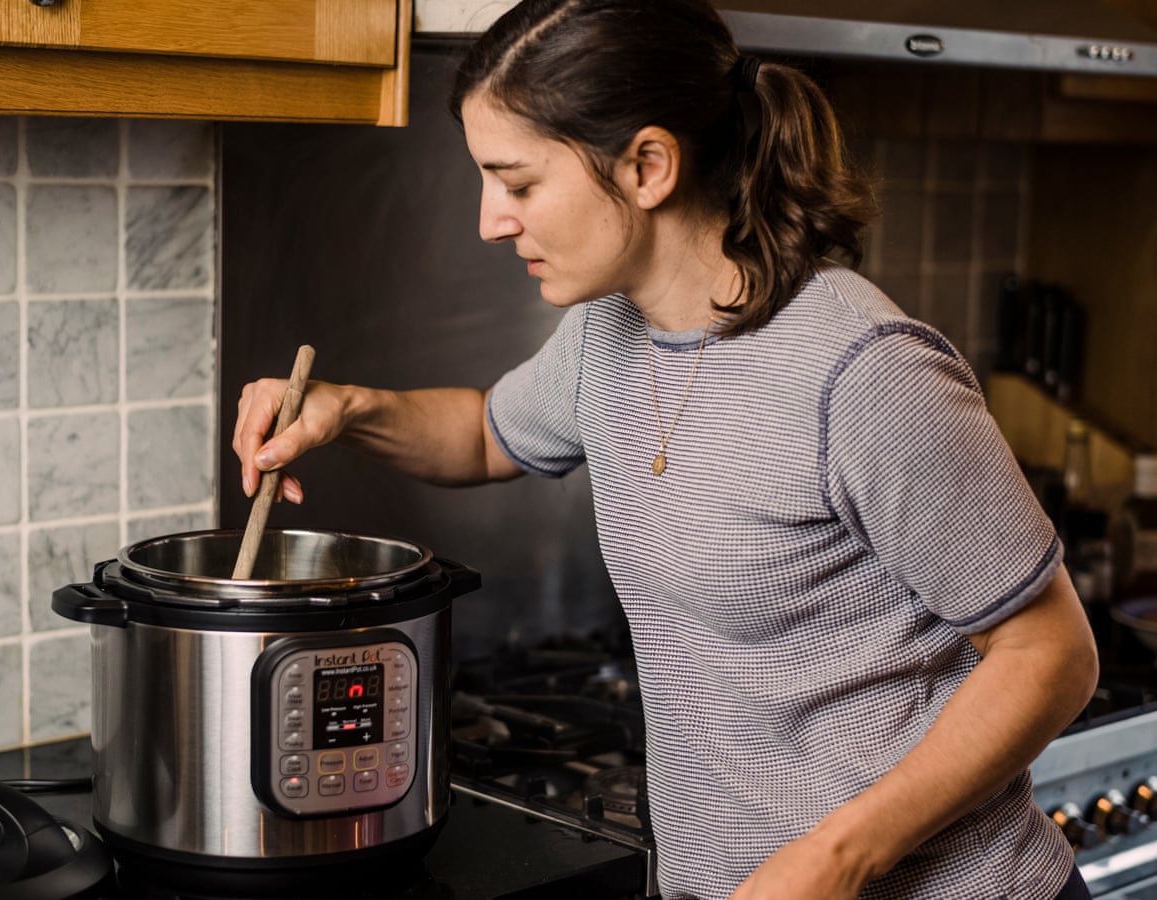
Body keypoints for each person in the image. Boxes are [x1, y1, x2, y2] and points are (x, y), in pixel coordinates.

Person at [233, 1, 1100, 897]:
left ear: (648, 166)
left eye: (518, 184)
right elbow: (483, 434)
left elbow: (1052, 658)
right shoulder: (608, 335)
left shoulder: (863, 372)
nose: (491, 221)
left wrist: (840, 857)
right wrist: (347, 409)